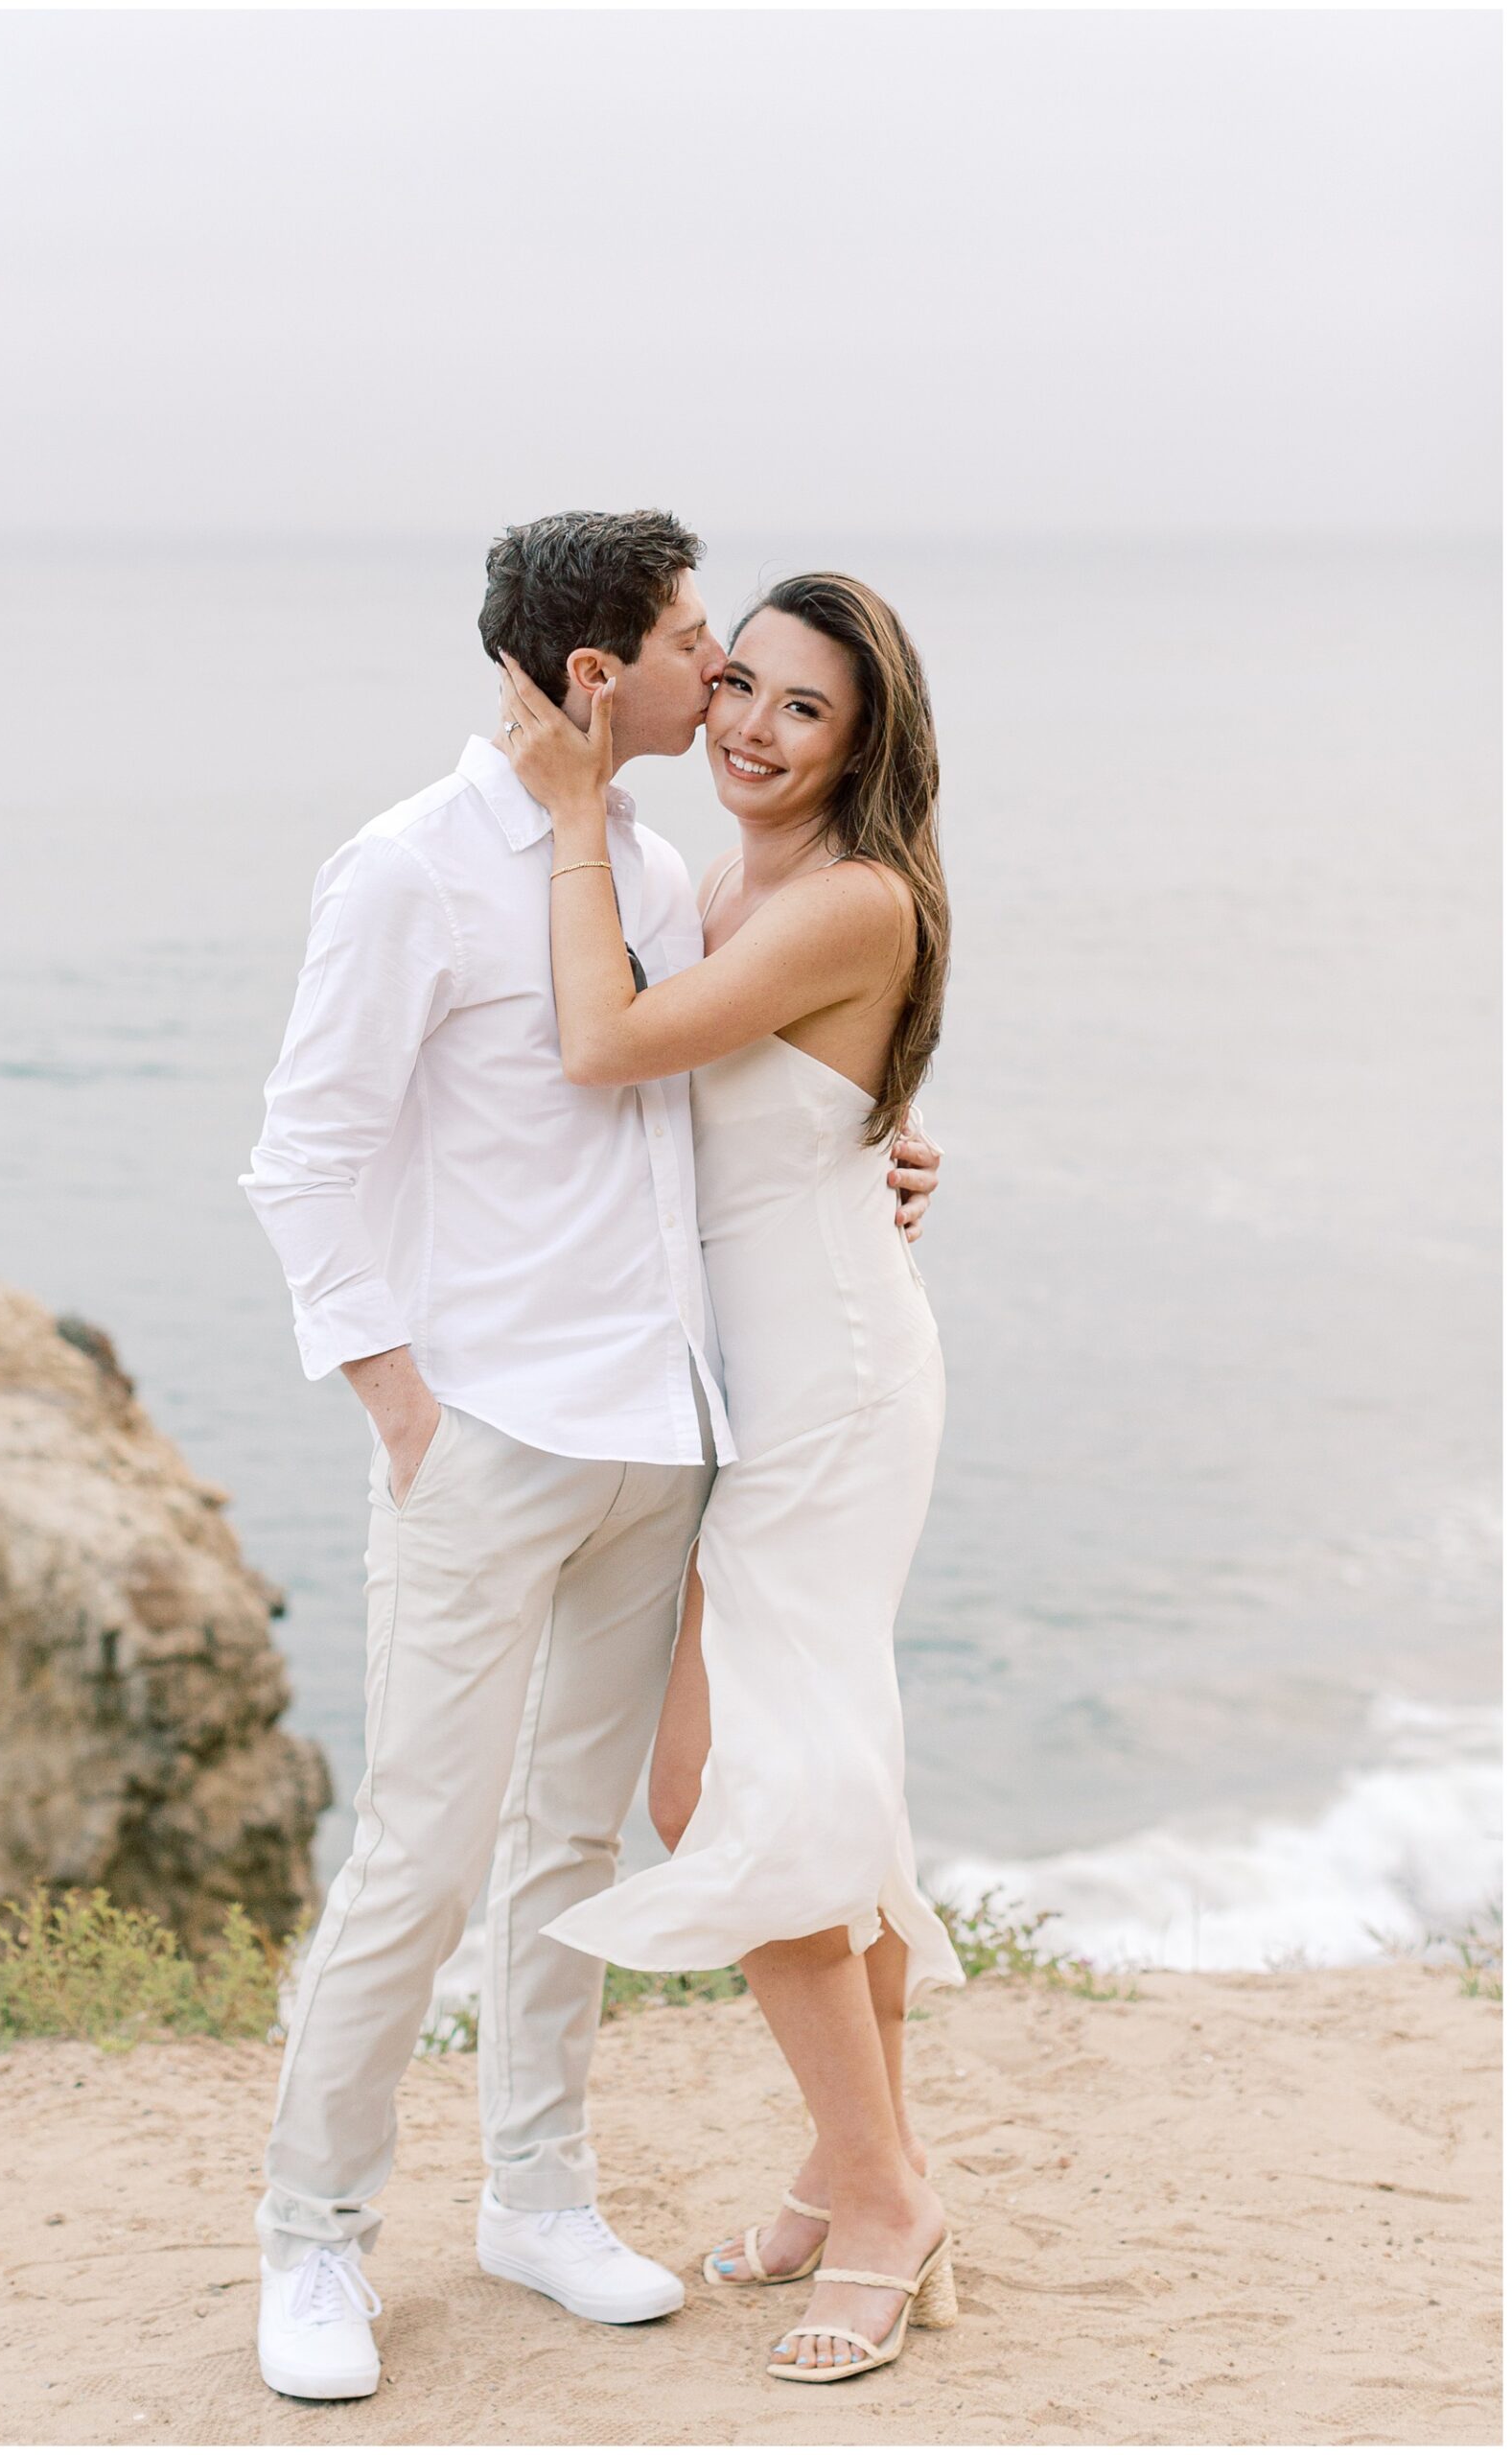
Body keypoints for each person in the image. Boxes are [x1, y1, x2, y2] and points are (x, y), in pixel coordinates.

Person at [239, 511, 942, 2401]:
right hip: (489, 1431)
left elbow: (723, 1104)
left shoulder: (646, 863)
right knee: (422, 1848)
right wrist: (400, 1401)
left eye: (758, 665)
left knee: (569, 1836)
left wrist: (873, 1158)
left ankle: (538, 2192)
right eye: (700, 645)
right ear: (590, 676)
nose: (722, 680)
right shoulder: (405, 870)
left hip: (671, 1428)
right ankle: (314, 2233)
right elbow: (304, 1156)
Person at [496, 565, 960, 2387]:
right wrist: (895, 1140)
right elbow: (785, 1112)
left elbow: (606, 1047)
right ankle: (860, 2171)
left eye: (804, 712)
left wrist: (569, 814)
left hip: (826, 1393)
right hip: (750, 1382)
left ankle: (885, 2193)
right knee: (807, 1779)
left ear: (866, 743)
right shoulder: (727, 882)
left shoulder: (846, 895)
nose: (754, 733)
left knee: (729, 1788)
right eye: (743, 688)